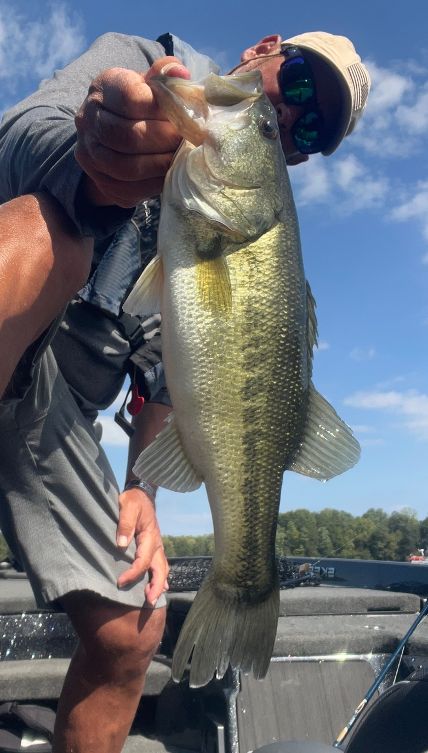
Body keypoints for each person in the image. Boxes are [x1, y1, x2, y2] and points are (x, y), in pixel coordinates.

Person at [0, 29, 370, 753]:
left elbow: (176, 371)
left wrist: (143, 487)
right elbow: (18, 136)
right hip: (17, 325)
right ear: (264, 50)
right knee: (42, 237)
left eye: (311, 131)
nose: (292, 116)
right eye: (297, 85)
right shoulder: (144, 65)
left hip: (55, 420)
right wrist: (91, 159)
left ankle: (244, 583)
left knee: (135, 631)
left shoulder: (245, 232)